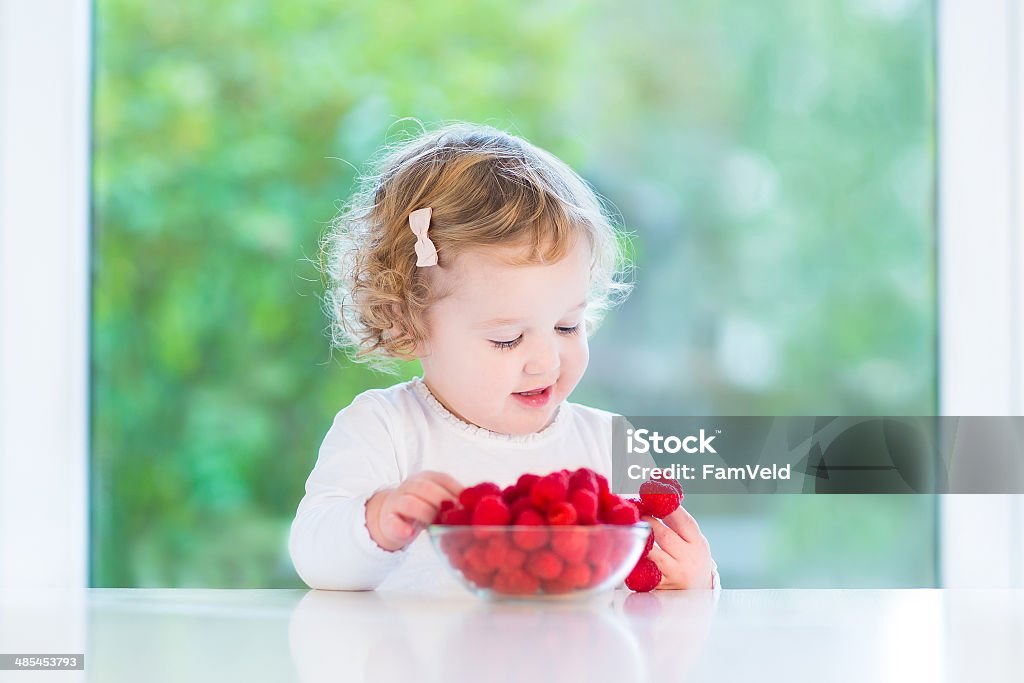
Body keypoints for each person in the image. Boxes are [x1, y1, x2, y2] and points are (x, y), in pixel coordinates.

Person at [289, 122, 719, 592]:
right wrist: (377, 522)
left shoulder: (610, 444)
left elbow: (651, 597)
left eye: (567, 326)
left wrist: (693, 580)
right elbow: (316, 558)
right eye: (508, 338)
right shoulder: (383, 430)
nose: (545, 361)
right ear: (408, 324)